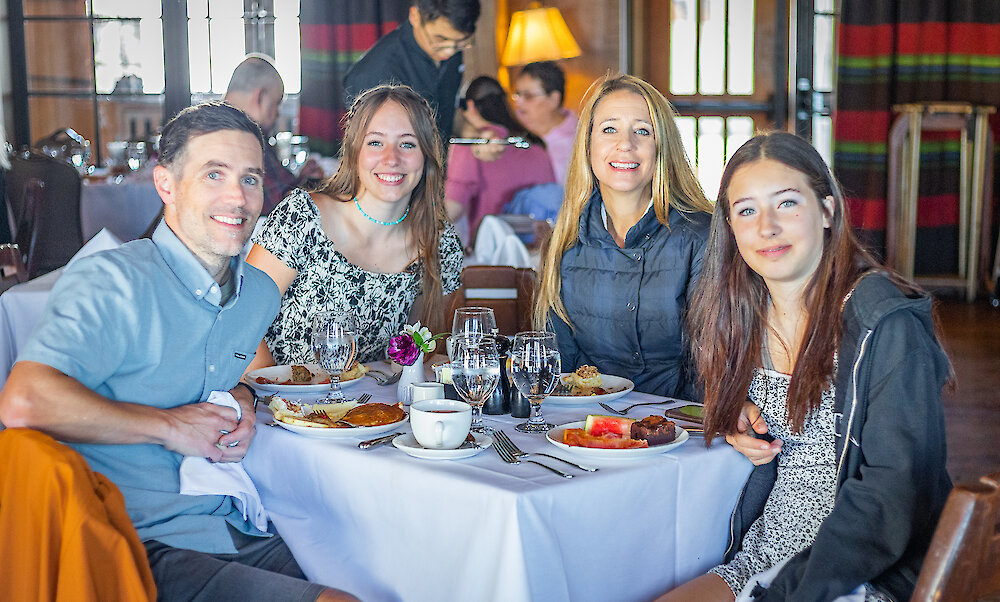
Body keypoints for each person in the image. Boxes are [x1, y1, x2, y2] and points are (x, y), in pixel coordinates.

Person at [0, 102, 357, 600]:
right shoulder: (112, 281)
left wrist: (246, 402)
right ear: (165, 185)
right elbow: (23, 401)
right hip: (130, 541)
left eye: (250, 179)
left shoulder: (257, 294)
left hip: (235, 520)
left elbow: (218, 373)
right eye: (215, 174)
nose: (237, 197)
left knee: (390, 570)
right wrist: (170, 426)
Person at [660, 132, 953, 602]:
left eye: (787, 203)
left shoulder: (885, 322)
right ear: (731, 228)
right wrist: (730, 409)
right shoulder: (743, 313)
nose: (766, 228)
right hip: (763, 554)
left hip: (863, 573)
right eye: (747, 210)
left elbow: (892, 497)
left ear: (828, 211)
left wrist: (786, 593)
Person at [246, 84, 463, 368]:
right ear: (354, 151)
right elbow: (242, 320)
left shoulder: (439, 243)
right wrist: (271, 399)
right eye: (375, 142)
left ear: (426, 155)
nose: (391, 159)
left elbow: (425, 351)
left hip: (370, 408)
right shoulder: (303, 217)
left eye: (407, 144)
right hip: (277, 403)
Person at [532, 74, 713, 398]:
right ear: (588, 145)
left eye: (642, 131)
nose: (625, 144)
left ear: (662, 146)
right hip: (585, 428)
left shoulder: (700, 236)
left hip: (678, 425)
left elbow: (710, 368)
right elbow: (558, 366)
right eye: (609, 129)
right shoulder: (563, 240)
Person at [343, 0, 481, 144]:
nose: (450, 51)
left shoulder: (451, 51)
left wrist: (469, 131)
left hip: (438, 163)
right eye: (440, 39)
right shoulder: (374, 73)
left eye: (461, 42)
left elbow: (442, 113)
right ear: (415, 16)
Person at [444, 75, 556, 242]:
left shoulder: (471, 148)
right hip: (538, 253)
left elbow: (451, 211)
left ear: (470, 107)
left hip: (493, 255)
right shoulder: (536, 147)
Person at [225, 54, 323, 215]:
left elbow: (277, 188)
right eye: (276, 104)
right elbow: (275, 204)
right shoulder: (242, 135)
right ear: (260, 97)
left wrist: (303, 179)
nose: (277, 114)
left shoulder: (218, 123)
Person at [513, 60, 579, 187]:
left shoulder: (579, 140)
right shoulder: (511, 128)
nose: (518, 103)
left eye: (528, 96)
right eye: (517, 95)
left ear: (553, 99)